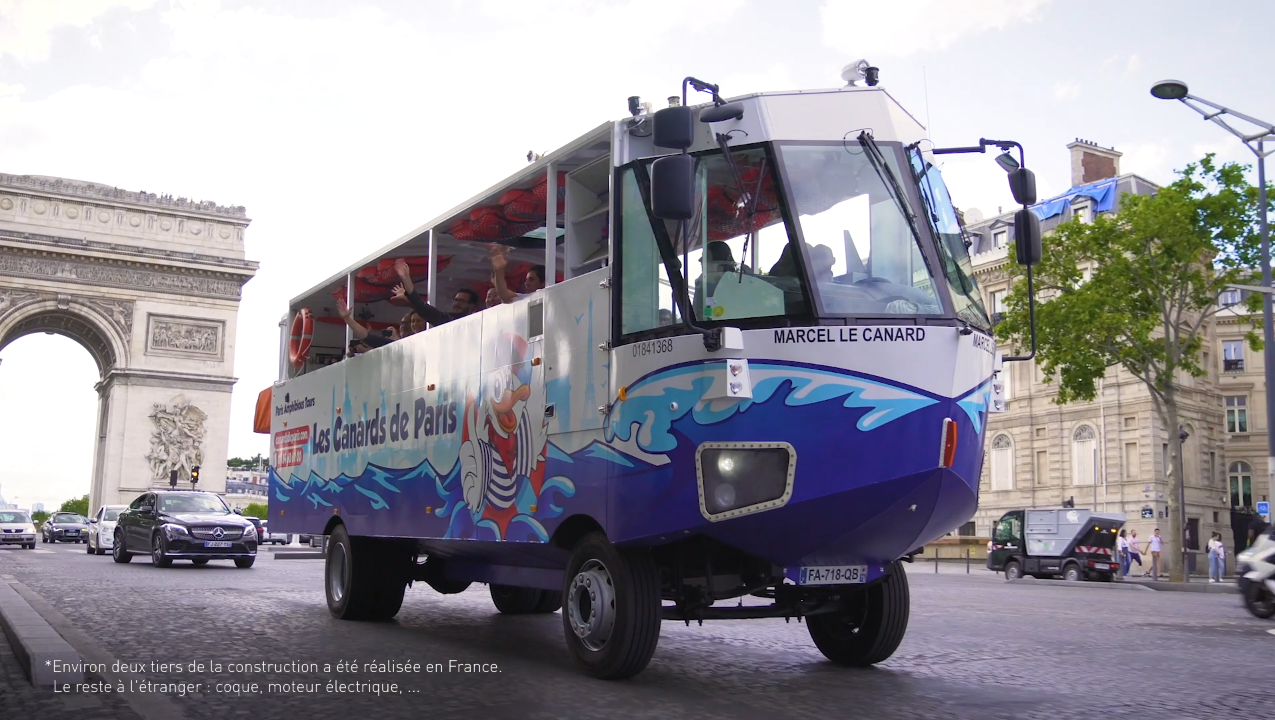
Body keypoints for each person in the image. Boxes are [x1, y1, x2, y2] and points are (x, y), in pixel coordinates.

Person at [392, 258, 480, 326]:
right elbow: (423, 308)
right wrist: (406, 280)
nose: (456, 303)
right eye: (455, 300)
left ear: (471, 306)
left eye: (461, 301)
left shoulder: (478, 321)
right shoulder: (448, 320)